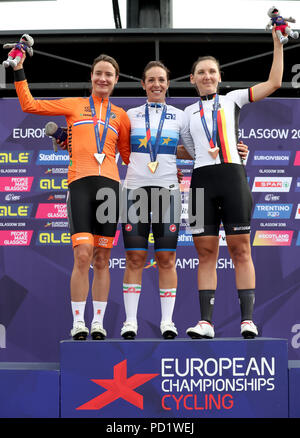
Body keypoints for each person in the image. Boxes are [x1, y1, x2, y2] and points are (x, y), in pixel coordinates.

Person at [119, 61, 249, 340]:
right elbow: (112, 143)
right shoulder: (129, 115)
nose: (156, 84)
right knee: (134, 258)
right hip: (134, 191)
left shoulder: (180, 116)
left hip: (168, 191)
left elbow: (195, 151)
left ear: (168, 84)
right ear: (143, 84)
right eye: (151, 80)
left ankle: (167, 322)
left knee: (167, 257)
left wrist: (235, 152)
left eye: (161, 80)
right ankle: (130, 322)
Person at [13, 51, 131, 340]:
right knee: (82, 255)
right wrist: (18, 70)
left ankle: (99, 323)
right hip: (80, 185)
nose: (103, 78)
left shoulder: (121, 116)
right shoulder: (75, 106)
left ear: (116, 81)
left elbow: (128, 156)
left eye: (109, 75)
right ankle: (79, 322)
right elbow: (29, 104)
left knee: (102, 258)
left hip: (110, 189)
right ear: (91, 76)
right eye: (98, 73)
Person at [181, 26, 283, 340]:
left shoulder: (233, 99)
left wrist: (277, 44)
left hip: (233, 178)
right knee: (206, 254)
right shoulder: (186, 113)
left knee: (241, 250)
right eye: (201, 72)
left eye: (212, 71)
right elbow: (188, 149)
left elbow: (274, 83)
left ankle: (247, 321)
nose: (207, 76)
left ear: (220, 76)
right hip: (201, 183)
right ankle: (206, 323)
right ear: (193, 79)